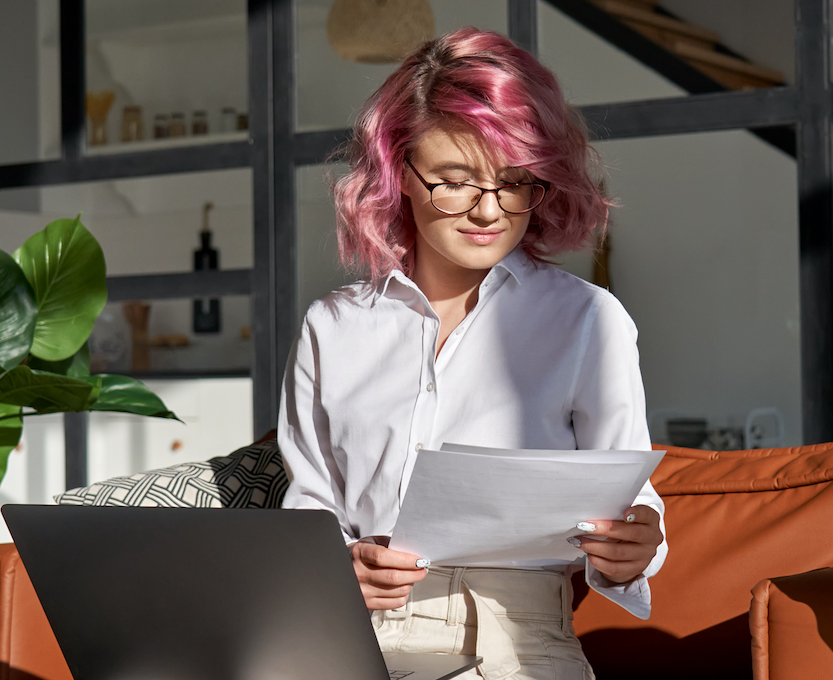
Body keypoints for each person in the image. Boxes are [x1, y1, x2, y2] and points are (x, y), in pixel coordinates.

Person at [280, 27, 667, 680]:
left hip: (518, 643)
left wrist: (635, 545)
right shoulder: (333, 328)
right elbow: (311, 513)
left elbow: (631, 499)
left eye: (514, 183)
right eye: (454, 182)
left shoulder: (586, 320)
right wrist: (339, 566)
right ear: (399, 172)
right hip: (356, 638)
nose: (489, 212)